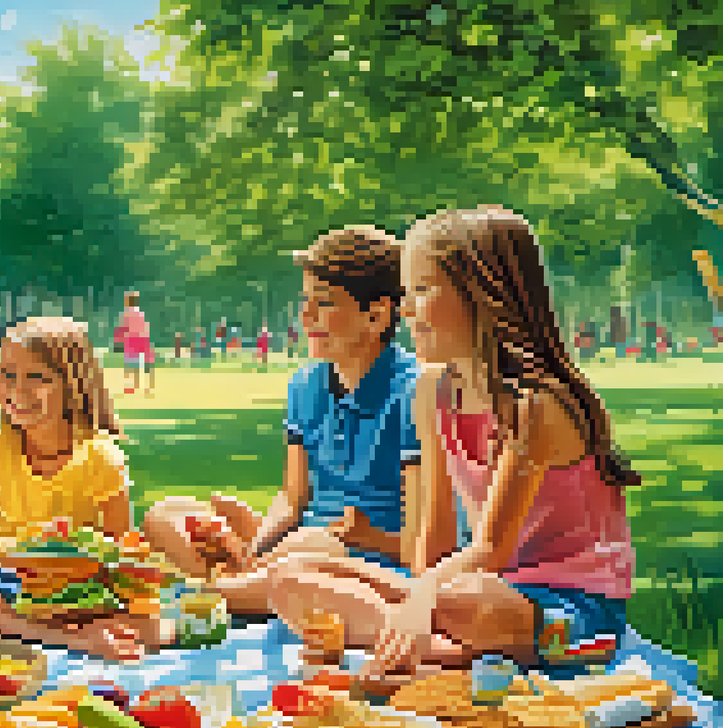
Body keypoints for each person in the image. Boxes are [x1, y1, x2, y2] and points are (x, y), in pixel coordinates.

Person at [269, 206, 639, 679]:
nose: (405, 310)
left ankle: (431, 650)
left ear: (482, 294)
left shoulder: (536, 406)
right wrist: (418, 590)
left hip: (574, 614)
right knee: (290, 578)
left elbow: (490, 551)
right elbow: (435, 548)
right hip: (474, 588)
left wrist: (422, 598)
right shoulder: (431, 392)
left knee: (469, 603)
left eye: (421, 291)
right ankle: (439, 651)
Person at [140, 226, 426, 618]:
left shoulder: (416, 393)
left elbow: (430, 541)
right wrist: (258, 545)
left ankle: (215, 595)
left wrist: (366, 536)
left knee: (303, 554)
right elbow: (293, 500)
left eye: (323, 303)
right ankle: (240, 582)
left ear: (376, 316)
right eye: (305, 300)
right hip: (301, 544)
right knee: (167, 514)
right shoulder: (305, 386)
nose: (305, 316)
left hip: (365, 561)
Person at [0, 317, 169, 660]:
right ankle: (72, 639)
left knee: (153, 630)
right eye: (8, 375)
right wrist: (22, 559)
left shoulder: (101, 458)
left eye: (37, 378)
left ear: (72, 385)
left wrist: (72, 563)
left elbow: (121, 550)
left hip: (82, 590)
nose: (18, 391)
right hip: (14, 581)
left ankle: (50, 630)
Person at [114, 292, 154, 394]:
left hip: (131, 340)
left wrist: (117, 341)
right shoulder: (141, 313)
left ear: (127, 301)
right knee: (139, 364)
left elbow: (121, 328)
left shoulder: (125, 314)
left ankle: (130, 385)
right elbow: (145, 326)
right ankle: (139, 385)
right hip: (143, 339)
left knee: (129, 363)